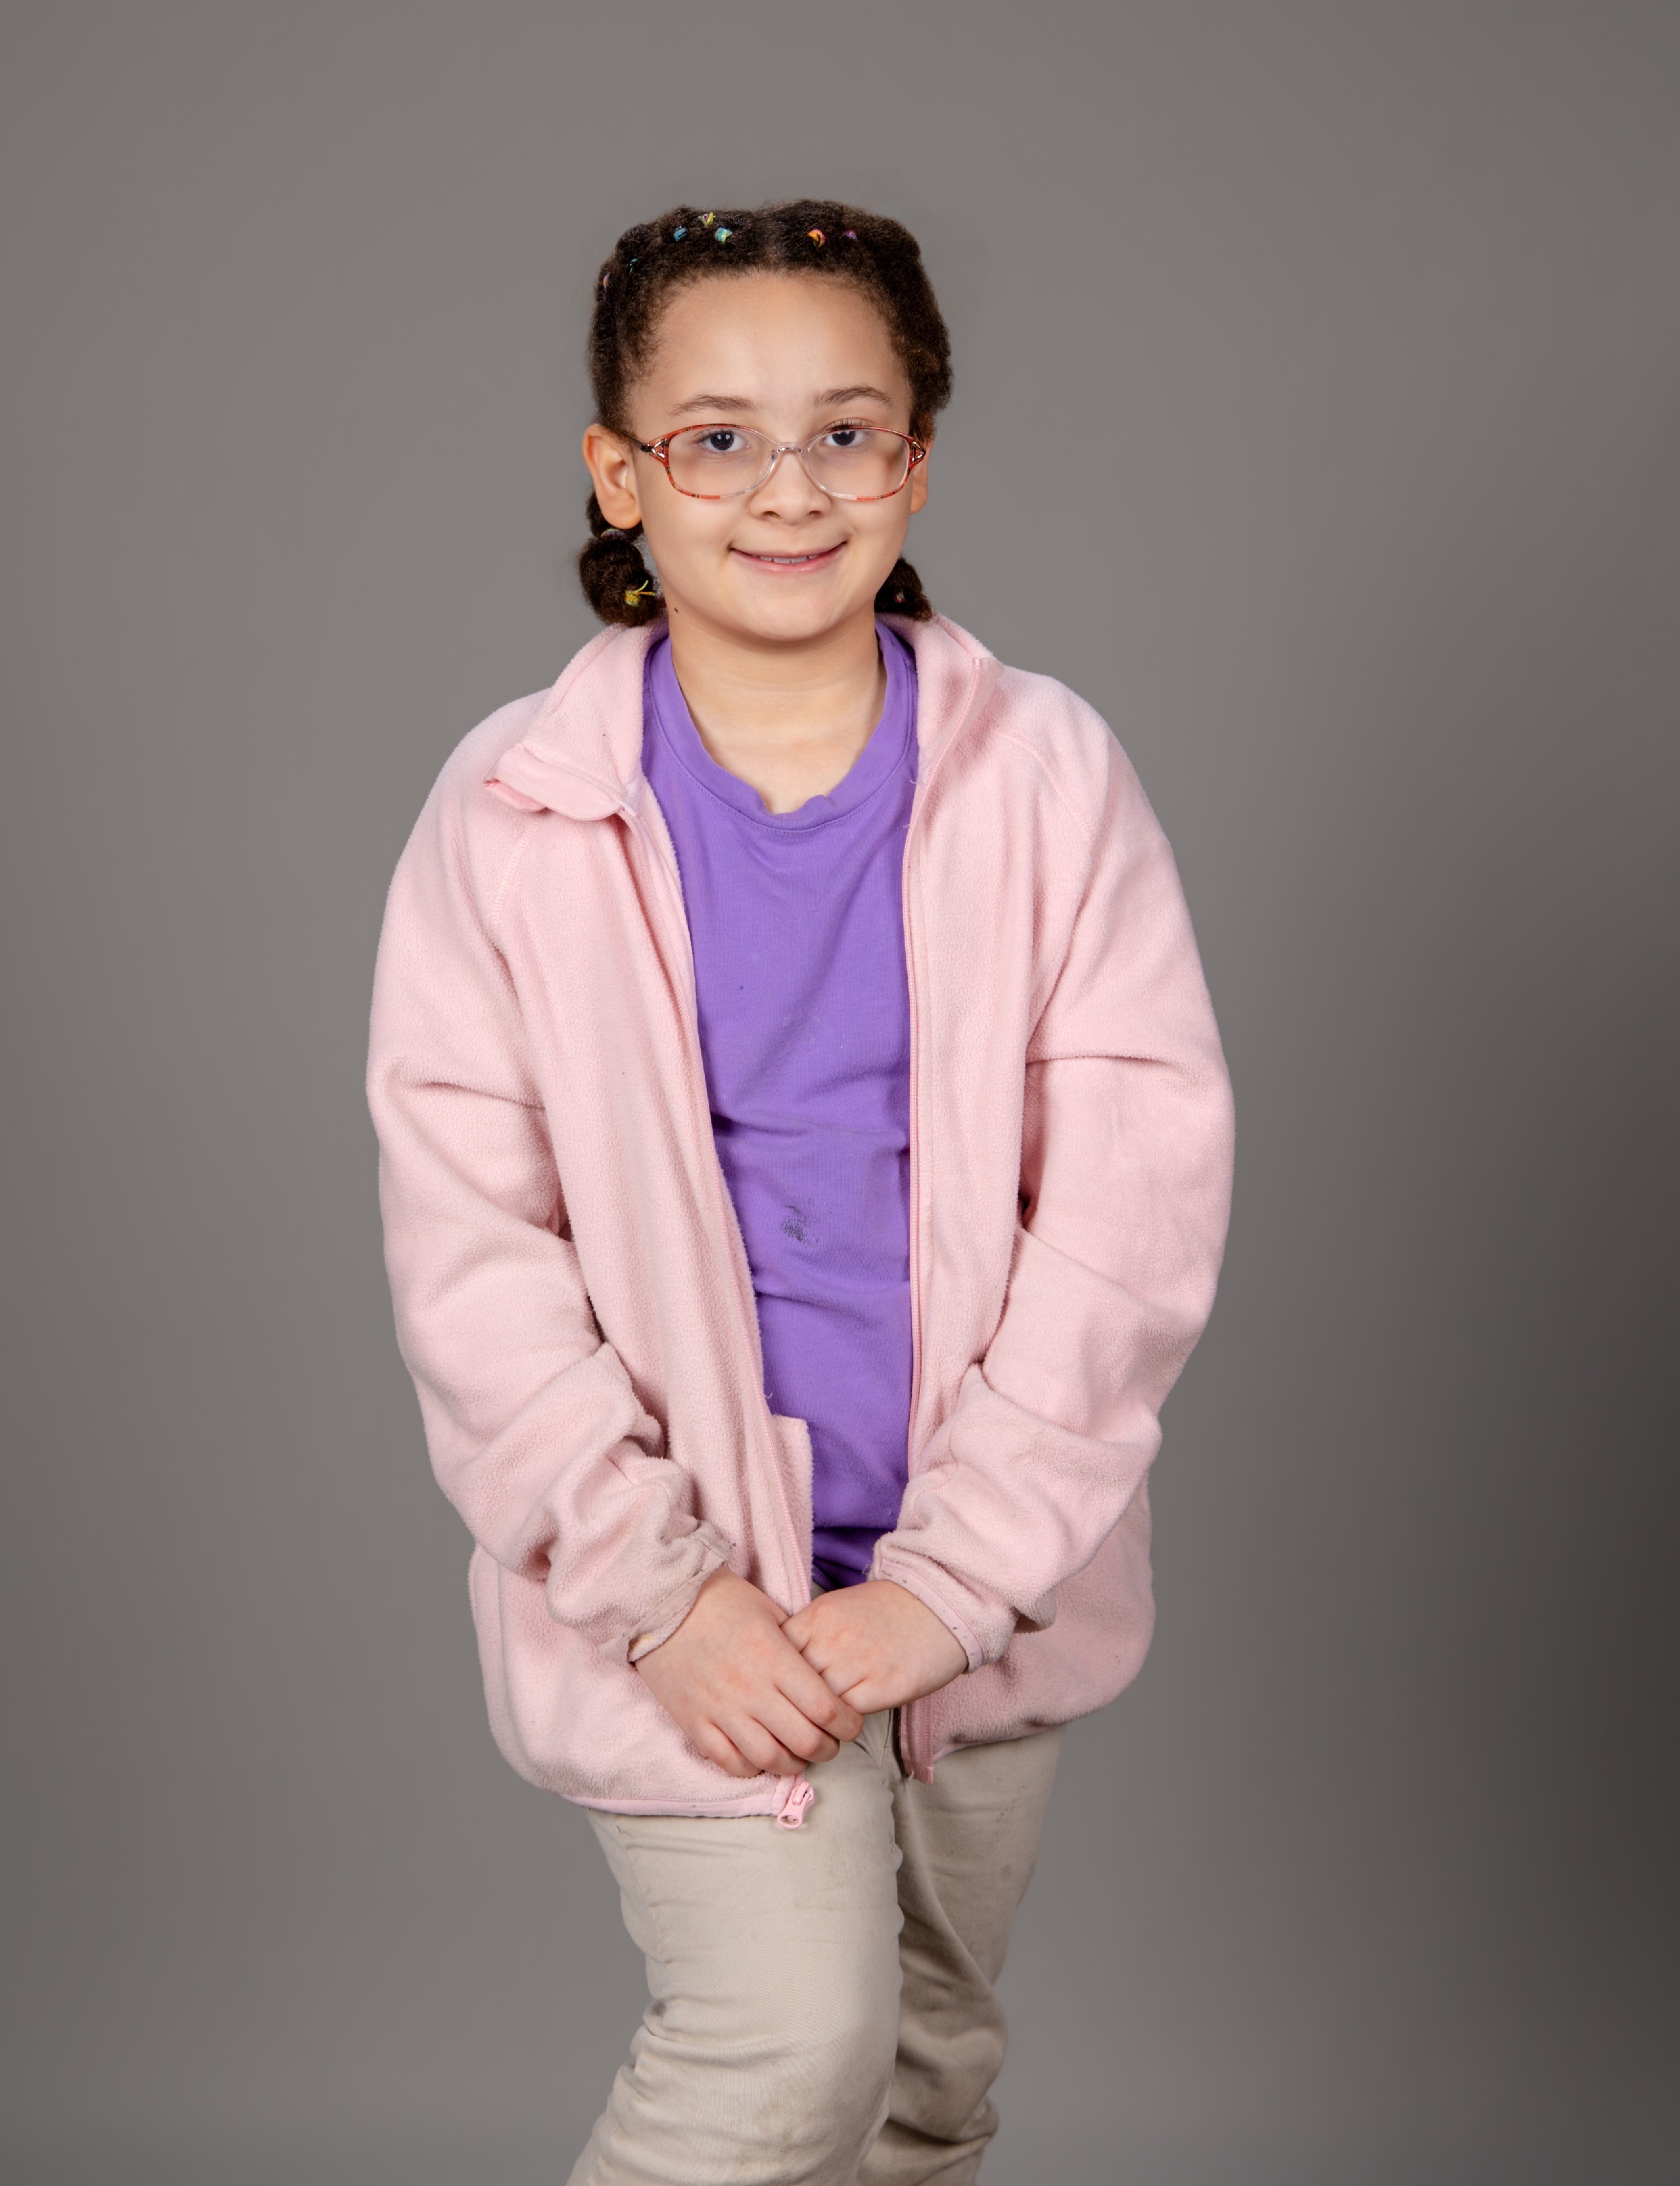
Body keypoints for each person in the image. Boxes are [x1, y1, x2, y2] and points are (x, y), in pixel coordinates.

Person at [366, 198, 1234, 2186]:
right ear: (620, 475)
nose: (789, 488)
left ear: (917, 460)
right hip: (680, 1592)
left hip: (984, 1581)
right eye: (718, 439)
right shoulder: (513, 812)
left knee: (923, 2078)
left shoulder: (1046, 776)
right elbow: (473, 1259)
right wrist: (665, 1593)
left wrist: (953, 1578)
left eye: (846, 432)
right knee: (781, 2049)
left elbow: (1134, 1206)